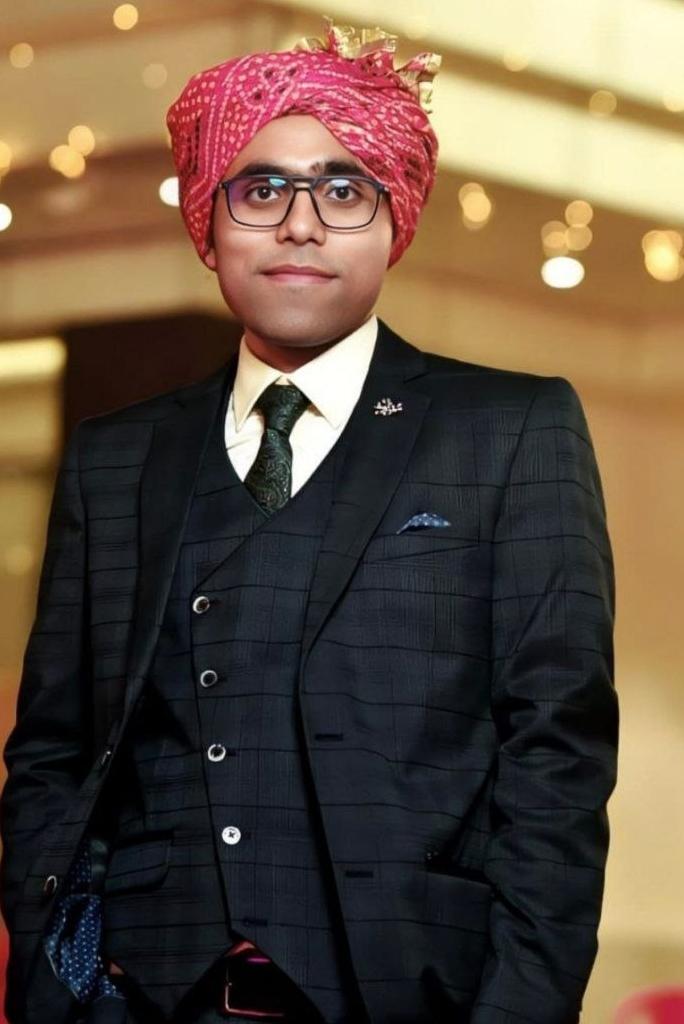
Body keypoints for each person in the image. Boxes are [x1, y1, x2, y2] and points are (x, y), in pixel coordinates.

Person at [0, 15, 618, 1024]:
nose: (300, 225)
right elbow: (53, 753)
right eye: (261, 191)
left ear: (393, 221)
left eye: (342, 190)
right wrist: (59, 984)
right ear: (209, 223)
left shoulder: (509, 430)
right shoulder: (116, 459)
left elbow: (557, 755)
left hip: (415, 998)